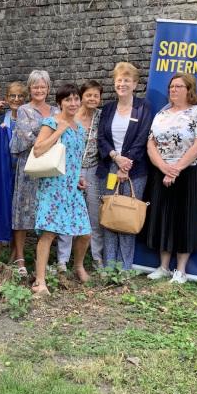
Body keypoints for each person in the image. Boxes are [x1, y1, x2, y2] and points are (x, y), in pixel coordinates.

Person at [143, 73, 197, 284]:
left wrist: (176, 169)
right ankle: (163, 266)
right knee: (163, 215)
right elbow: (150, 144)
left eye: (179, 86)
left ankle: (180, 271)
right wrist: (165, 168)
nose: (174, 90)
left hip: (189, 171)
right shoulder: (162, 115)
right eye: (171, 86)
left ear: (189, 89)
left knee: (186, 217)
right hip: (161, 170)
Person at [30, 84, 92, 296]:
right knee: (48, 234)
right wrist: (59, 131)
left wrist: (79, 177)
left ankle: (78, 266)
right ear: (59, 103)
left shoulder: (80, 128)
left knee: (85, 233)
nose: (73, 103)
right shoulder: (52, 122)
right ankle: (40, 281)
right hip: (53, 187)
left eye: (76, 99)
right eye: (68, 100)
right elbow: (38, 150)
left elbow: (73, 157)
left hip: (72, 188)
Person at [97, 63, 152, 272]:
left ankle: (125, 268)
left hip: (134, 171)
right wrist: (115, 158)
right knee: (110, 216)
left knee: (127, 217)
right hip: (109, 169)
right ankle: (110, 266)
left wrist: (126, 164)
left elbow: (142, 136)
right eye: (119, 80)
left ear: (135, 84)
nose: (123, 83)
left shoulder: (142, 107)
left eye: (127, 80)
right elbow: (101, 137)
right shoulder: (108, 108)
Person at [9, 70, 60, 275]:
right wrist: (50, 137)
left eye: (43, 86)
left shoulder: (57, 110)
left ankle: (42, 260)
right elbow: (24, 138)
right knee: (22, 214)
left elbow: (62, 136)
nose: (39, 90)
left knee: (45, 214)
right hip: (28, 168)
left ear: (48, 88)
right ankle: (20, 259)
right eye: (35, 86)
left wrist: (42, 136)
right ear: (30, 88)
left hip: (50, 169)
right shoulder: (24, 110)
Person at [0, 81, 27, 262]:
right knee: (0, 211)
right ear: (7, 98)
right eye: (12, 96)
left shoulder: (30, 117)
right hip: (2, 173)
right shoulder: (1, 119)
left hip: (23, 172)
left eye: (20, 96)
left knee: (18, 216)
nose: (16, 99)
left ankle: (15, 255)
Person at [75, 80, 104, 271]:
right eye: (88, 95)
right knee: (70, 216)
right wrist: (75, 173)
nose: (92, 98)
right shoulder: (72, 116)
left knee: (95, 216)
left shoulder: (102, 116)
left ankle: (97, 258)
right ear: (81, 97)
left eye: (96, 95)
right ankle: (64, 259)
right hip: (71, 172)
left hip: (94, 170)